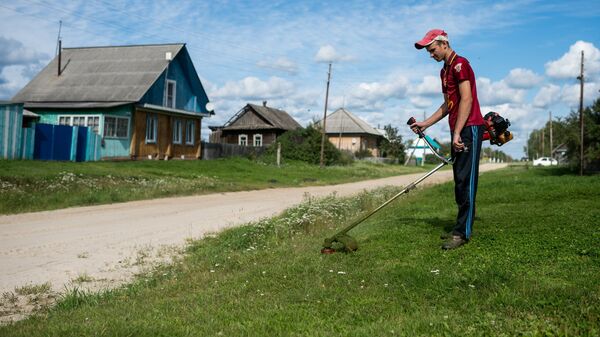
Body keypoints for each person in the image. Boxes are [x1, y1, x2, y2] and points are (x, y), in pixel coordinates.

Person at [410, 29, 485, 250]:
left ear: (444, 43)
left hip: (469, 128)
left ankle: (463, 233)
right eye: (428, 52)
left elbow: (467, 99)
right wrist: (425, 123)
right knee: (459, 182)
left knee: (467, 182)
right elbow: (448, 105)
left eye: (432, 50)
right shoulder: (445, 71)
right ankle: (459, 228)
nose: (430, 55)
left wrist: (457, 132)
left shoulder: (461, 64)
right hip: (460, 129)